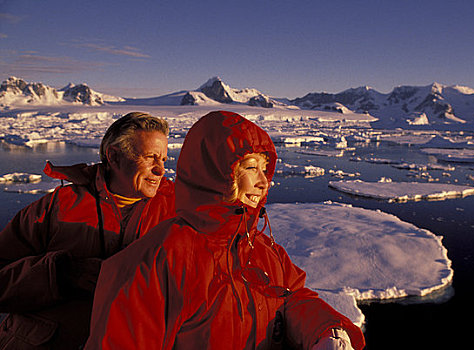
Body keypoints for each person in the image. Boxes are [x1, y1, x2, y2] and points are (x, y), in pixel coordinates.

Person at [85, 111, 365, 349]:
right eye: (250, 167)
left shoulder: (263, 249)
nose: (263, 182)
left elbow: (292, 299)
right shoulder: (154, 262)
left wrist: (328, 331)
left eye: (264, 169)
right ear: (216, 171)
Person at [0, 112, 176, 349]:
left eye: (164, 159)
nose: (161, 170)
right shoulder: (57, 207)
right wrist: (58, 275)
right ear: (114, 156)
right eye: (150, 157)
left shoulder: (176, 212)